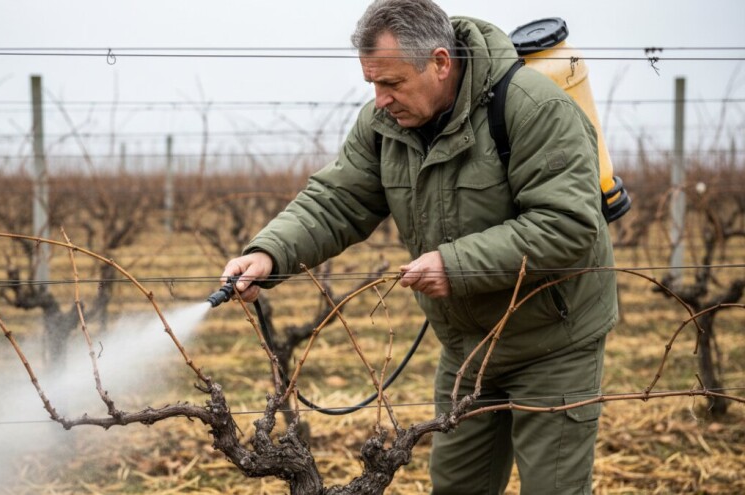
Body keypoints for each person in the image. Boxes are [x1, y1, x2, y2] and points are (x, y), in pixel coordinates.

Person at [221, 1, 617, 493]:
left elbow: (568, 224)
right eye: (372, 84)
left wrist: (455, 265)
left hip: (553, 340)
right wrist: (270, 254)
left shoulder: (533, 108)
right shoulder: (383, 125)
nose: (380, 99)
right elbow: (337, 200)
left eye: (392, 83)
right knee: (455, 487)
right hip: (466, 348)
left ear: (440, 62)